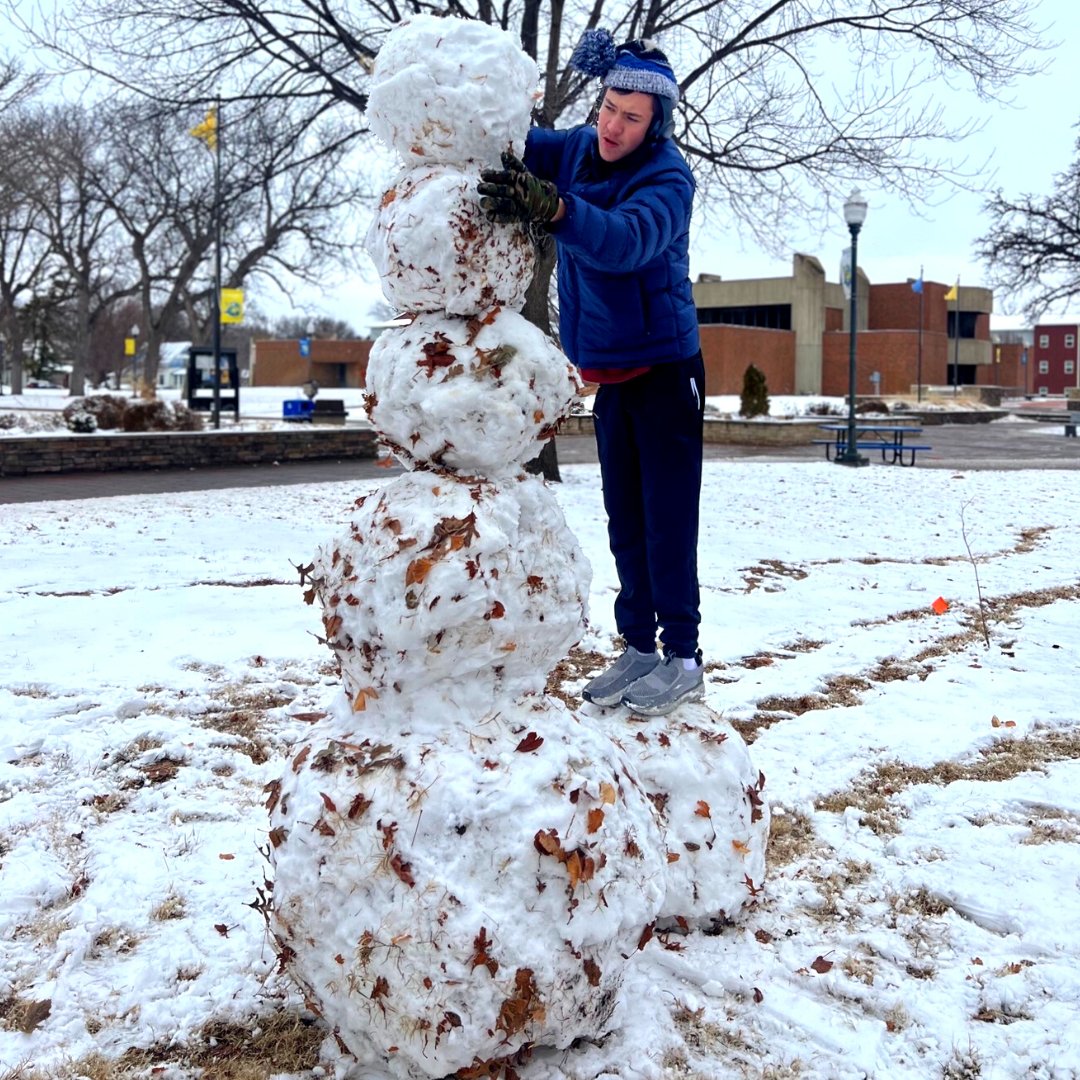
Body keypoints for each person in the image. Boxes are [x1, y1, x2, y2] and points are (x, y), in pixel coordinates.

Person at [478, 30, 705, 716]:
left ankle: (685, 658)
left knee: (667, 521)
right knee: (625, 521)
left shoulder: (668, 179)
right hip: (612, 375)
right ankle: (638, 647)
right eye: (609, 106)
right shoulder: (578, 146)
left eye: (631, 117)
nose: (612, 125)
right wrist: (482, 104)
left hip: (666, 372)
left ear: (654, 124)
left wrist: (554, 208)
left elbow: (622, 240)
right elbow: (510, 139)